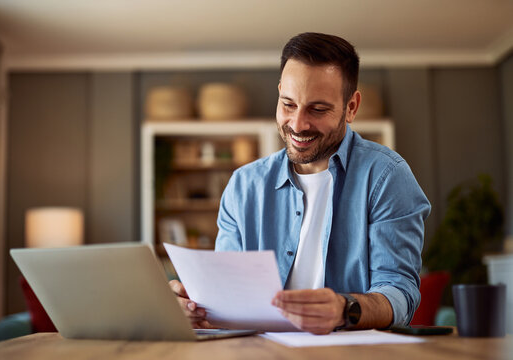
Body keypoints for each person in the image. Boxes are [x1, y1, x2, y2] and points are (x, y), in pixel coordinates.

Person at [170, 32, 431, 334]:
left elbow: (400, 294)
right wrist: (195, 307)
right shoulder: (243, 187)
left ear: (351, 107)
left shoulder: (387, 177)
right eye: (288, 104)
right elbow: (226, 298)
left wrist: (346, 309)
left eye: (318, 109)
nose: (298, 124)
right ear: (279, 92)